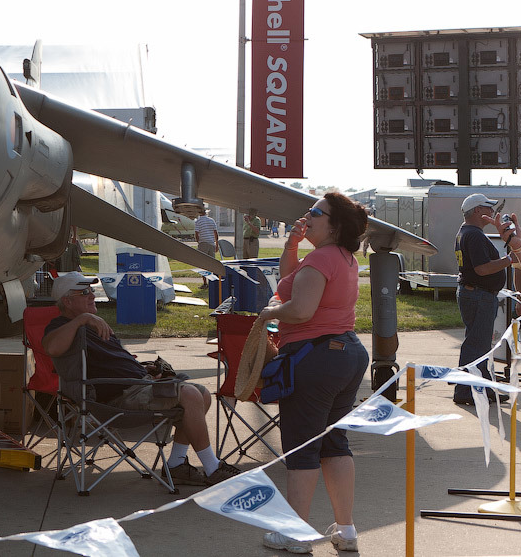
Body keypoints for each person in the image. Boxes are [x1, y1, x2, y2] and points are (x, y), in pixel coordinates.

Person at [41, 271, 240, 487]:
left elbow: (116, 362)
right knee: (190, 394)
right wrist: (83, 319)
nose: (92, 296)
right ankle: (212, 468)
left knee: (201, 393)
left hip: (139, 384)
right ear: (67, 301)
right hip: (116, 399)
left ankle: (176, 464)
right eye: (84, 292)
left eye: (91, 291)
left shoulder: (93, 327)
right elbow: (52, 347)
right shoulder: (61, 327)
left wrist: (146, 370)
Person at [256, 192, 370, 553]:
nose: (307, 215)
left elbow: (301, 309)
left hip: (315, 357)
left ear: (334, 225)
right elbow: (292, 281)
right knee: (334, 443)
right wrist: (291, 244)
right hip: (344, 353)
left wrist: (268, 313)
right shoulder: (339, 257)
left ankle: (296, 533)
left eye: (315, 212)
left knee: (302, 447)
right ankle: (346, 529)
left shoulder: (322, 258)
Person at [451, 193, 521, 406]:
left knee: (479, 345)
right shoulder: (475, 235)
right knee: (476, 346)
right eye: (488, 208)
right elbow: (482, 269)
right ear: (478, 211)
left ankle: (484, 387)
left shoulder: (465, 233)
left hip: (475, 293)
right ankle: (465, 390)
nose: (492, 212)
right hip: (479, 295)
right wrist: (509, 259)